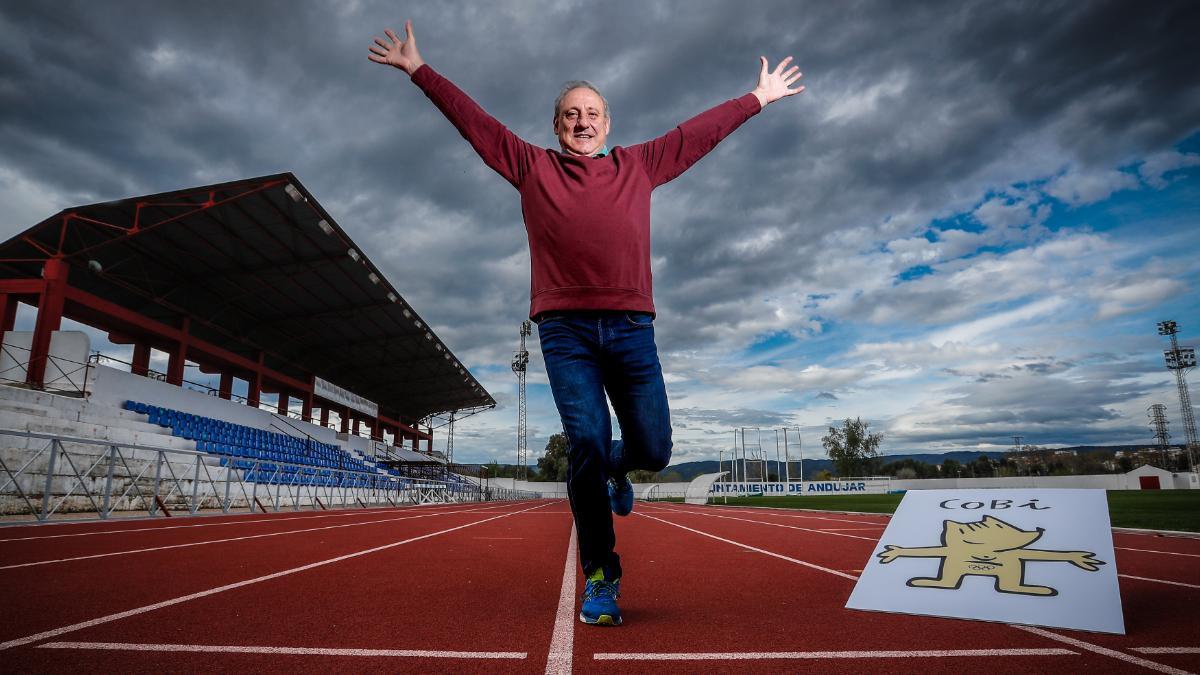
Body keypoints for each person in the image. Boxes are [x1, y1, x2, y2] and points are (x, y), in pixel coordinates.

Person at [369, 20, 804, 626]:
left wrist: (757, 98)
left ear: (608, 122)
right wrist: (420, 70)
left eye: (592, 111)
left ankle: (618, 471)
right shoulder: (530, 166)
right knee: (586, 443)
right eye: (571, 113)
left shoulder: (640, 165)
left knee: (653, 446)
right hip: (565, 332)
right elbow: (475, 122)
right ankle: (601, 575)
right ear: (556, 126)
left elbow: (698, 134)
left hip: (631, 329)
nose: (582, 121)